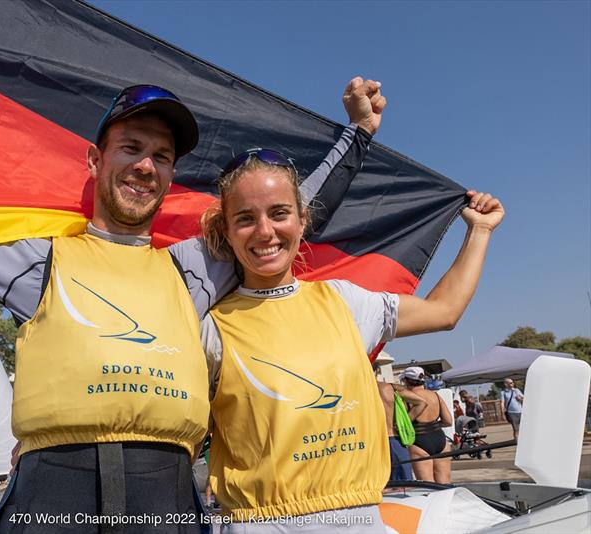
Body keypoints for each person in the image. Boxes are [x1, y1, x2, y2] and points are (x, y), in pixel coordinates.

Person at [0, 79, 382, 534]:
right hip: (53, 497)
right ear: (96, 160)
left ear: (170, 175)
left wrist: (359, 134)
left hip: (165, 498)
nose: (144, 165)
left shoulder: (191, 269)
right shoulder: (40, 260)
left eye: (160, 157)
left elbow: (284, 213)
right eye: (131, 148)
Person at [198, 145, 503, 530]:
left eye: (279, 213)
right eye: (245, 218)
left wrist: (479, 230)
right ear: (226, 229)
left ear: (302, 219)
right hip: (260, 524)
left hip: (362, 519)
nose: (265, 231)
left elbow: (444, 311)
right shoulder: (211, 327)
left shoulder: (346, 301)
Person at [400, 367, 453, 483]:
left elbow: (402, 423)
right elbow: (448, 421)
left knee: (428, 485)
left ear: (406, 380)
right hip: (440, 439)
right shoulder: (435, 396)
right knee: (445, 483)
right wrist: (434, 425)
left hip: (418, 441)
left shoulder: (406, 398)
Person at [375, 365, 425, 482]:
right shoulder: (391, 388)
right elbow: (421, 402)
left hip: (373, 443)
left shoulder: (358, 390)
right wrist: (404, 422)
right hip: (393, 439)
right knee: (404, 486)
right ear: (377, 371)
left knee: (379, 487)